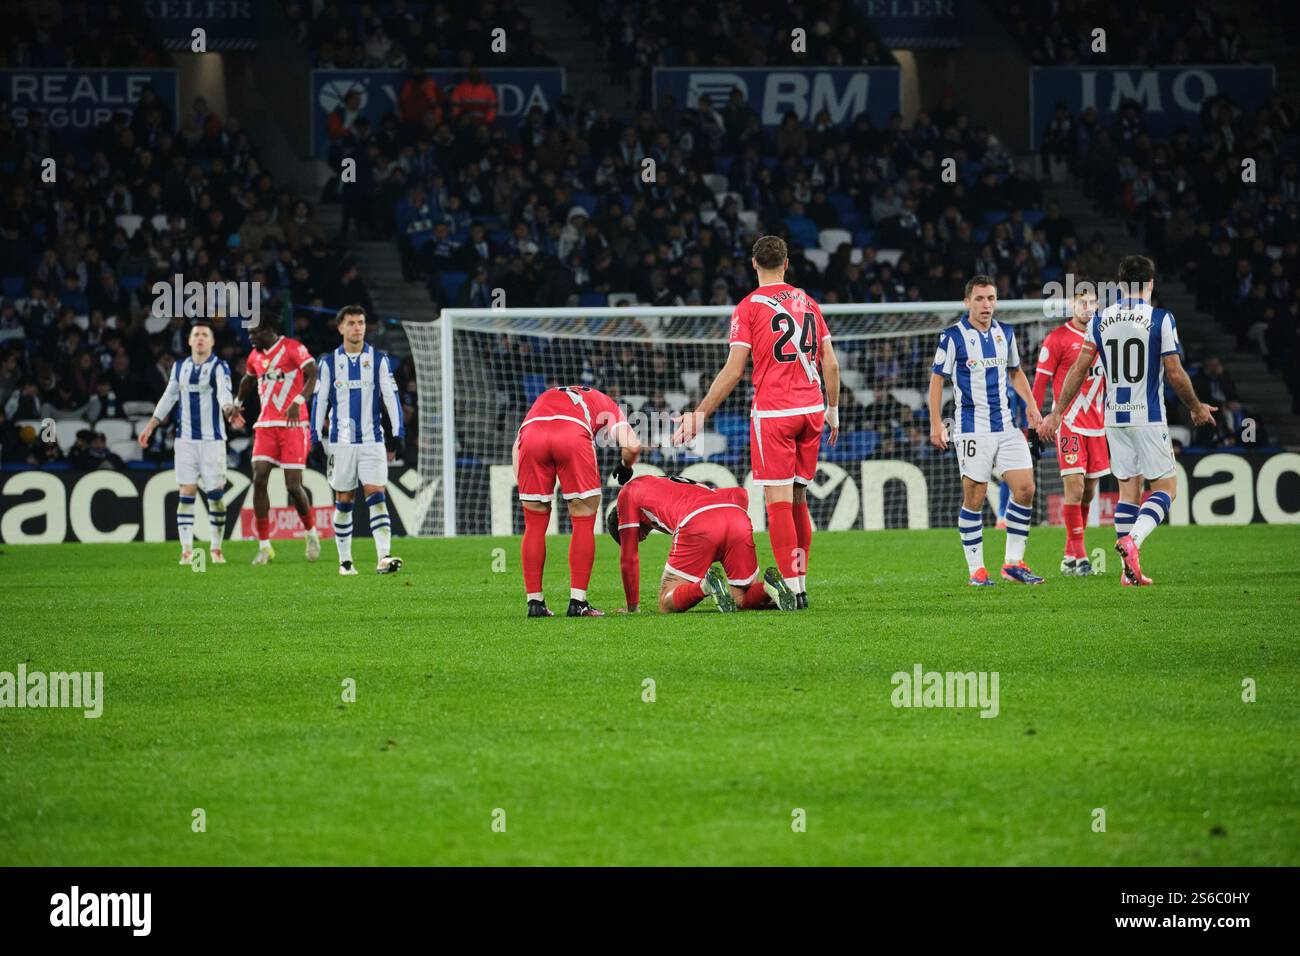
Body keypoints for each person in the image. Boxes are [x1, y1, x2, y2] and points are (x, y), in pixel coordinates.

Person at [673, 235, 841, 610]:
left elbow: (734, 371)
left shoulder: (748, 307)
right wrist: (833, 409)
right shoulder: (809, 303)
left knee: (777, 503)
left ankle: (793, 591)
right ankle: (801, 582)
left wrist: (700, 413)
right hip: (812, 410)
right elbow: (830, 362)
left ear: (753, 264)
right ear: (786, 263)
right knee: (799, 499)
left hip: (775, 414)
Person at [1039, 255, 1216, 585]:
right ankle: (1132, 540)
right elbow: (1175, 374)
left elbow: (1078, 369)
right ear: (1150, 284)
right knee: (1166, 488)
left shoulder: (1100, 319)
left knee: (1128, 493)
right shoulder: (1160, 319)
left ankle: (1127, 572)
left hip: (1112, 420)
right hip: (1146, 417)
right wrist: (1195, 407)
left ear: (1120, 285)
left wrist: (1058, 411)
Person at [929, 275, 1046, 586]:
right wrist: (936, 423)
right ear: (967, 302)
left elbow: (1016, 372)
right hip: (971, 429)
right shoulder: (952, 336)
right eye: (979, 299)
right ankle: (977, 570)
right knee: (975, 497)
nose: (986, 305)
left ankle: (1013, 563)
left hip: (1006, 426)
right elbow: (937, 380)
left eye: (991, 298)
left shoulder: (1005, 333)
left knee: (1025, 489)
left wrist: (1032, 407)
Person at [514, 384, 640, 617]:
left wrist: (526, 485)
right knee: (583, 518)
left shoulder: (546, 397)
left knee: (534, 524)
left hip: (531, 437)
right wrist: (625, 466)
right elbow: (632, 446)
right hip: (572, 435)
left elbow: (518, 445)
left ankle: (535, 603)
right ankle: (578, 602)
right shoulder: (607, 405)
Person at [311, 306, 404, 575]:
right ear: (340, 327)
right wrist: (315, 438)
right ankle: (345, 562)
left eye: (361, 322)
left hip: (372, 441)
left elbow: (390, 398)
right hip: (341, 443)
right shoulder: (328, 363)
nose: (357, 328)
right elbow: (319, 403)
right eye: (351, 323)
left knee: (377, 495)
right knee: (344, 499)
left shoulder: (378, 360)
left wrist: (398, 433)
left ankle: (383, 558)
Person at [609, 475, 783, 613]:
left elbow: (629, 558)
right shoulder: (667, 485)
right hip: (737, 516)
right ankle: (768, 587)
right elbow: (740, 493)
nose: (643, 538)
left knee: (665, 602)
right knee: (741, 598)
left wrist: (632, 607)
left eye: (639, 536)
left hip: (697, 521)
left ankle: (705, 585)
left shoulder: (628, 492)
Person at [138, 322, 234, 565]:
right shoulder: (179, 367)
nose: (200, 338)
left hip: (212, 441)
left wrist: (228, 408)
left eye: (205, 335)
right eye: (196, 335)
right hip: (185, 441)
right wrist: (150, 426)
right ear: (189, 341)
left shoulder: (219, 366)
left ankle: (215, 547)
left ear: (212, 342)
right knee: (186, 493)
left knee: (215, 496)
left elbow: (224, 392)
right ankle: (187, 551)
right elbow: (169, 396)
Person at [1033, 288, 1110, 575]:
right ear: (1071, 305)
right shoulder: (1057, 339)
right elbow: (1040, 382)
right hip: (1068, 423)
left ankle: (1068, 556)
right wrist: (1037, 417)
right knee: (1074, 489)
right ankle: (1081, 559)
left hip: (1098, 426)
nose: (1088, 308)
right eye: (1082, 302)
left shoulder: (1105, 336)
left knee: (1088, 494)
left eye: (1092, 303)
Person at [230, 322, 320, 565]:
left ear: (268, 331)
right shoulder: (255, 356)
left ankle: (311, 533)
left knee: (293, 486)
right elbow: (248, 381)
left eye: (253, 333)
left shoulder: (293, 348)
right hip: (266, 425)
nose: (250, 338)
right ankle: (264, 546)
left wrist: (299, 400)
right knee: (259, 479)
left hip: (293, 425)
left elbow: (313, 373)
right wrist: (236, 403)